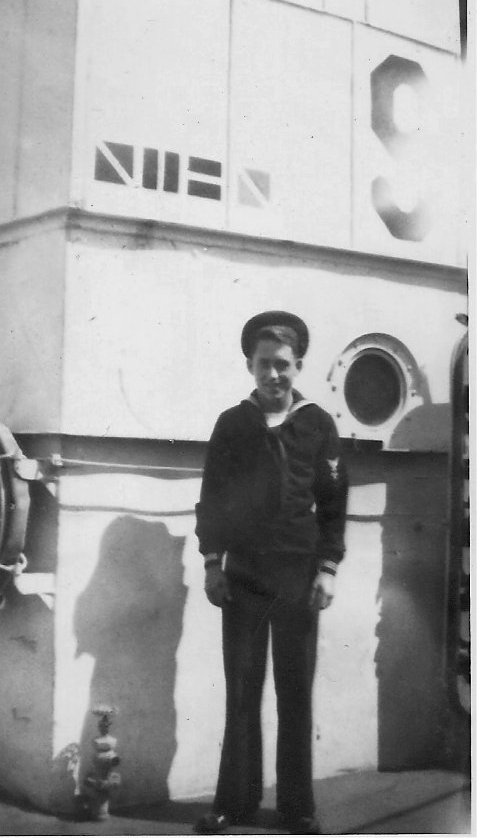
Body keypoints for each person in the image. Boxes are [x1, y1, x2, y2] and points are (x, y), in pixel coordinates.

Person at [194, 311, 348, 835]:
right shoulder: (232, 424)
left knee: (294, 692)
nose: (274, 374)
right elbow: (212, 499)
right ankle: (233, 803)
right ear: (250, 366)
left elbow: (334, 503)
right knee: (242, 690)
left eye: (282, 364)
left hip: (298, 578)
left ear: (297, 365)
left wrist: (327, 568)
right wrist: (212, 562)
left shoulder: (318, 425)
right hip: (243, 577)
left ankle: (297, 808)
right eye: (264, 364)